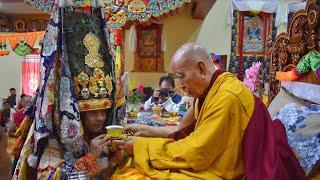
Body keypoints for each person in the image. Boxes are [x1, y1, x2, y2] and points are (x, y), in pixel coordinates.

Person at [112, 43, 305, 179]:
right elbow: (180, 130)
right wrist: (143, 131)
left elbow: (196, 152)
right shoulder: (208, 92)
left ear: (201, 68)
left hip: (232, 169)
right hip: (210, 158)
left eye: (181, 77)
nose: (179, 86)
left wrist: (141, 147)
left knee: (133, 175)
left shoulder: (226, 96)